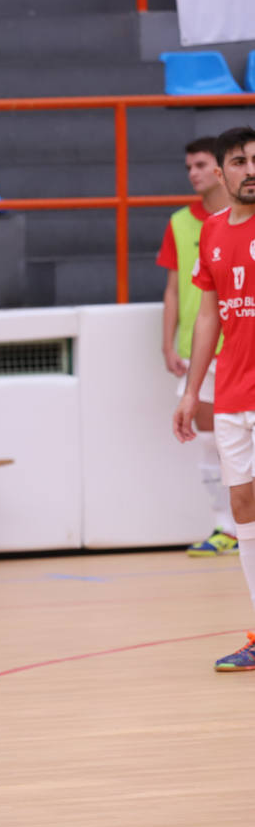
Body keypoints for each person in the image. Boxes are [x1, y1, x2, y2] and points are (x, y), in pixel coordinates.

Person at [174, 125, 255, 672]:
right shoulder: (211, 233)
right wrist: (189, 391)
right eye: (240, 161)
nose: (251, 169)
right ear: (222, 173)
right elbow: (209, 315)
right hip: (231, 393)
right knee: (243, 508)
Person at [160, 136, 236, 556]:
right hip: (198, 348)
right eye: (189, 166)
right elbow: (173, 289)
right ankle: (224, 527)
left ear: (220, 169)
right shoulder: (180, 222)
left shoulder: (243, 219)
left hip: (239, 348)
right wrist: (167, 343)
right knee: (209, 439)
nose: (193, 173)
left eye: (201, 165)